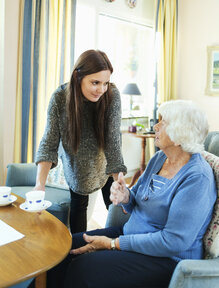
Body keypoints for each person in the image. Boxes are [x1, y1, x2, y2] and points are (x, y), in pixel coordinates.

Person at [46, 99, 217, 288]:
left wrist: (112, 244)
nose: (156, 126)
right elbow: (136, 197)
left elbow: (173, 242)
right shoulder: (160, 158)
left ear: (180, 135)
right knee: (62, 247)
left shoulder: (197, 178)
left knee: (83, 268)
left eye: (163, 122)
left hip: (166, 258)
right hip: (131, 235)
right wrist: (125, 196)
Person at [34, 49, 127, 234]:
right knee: (78, 213)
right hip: (76, 167)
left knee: (117, 211)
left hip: (106, 163)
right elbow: (49, 142)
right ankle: (77, 255)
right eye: (95, 82)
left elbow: (112, 139)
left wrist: (120, 183)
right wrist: (39, 185)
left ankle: (116, 247)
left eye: (105, 83)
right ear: (78, 76)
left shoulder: (111, 96)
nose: (101, 89)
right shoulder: (60, 98)